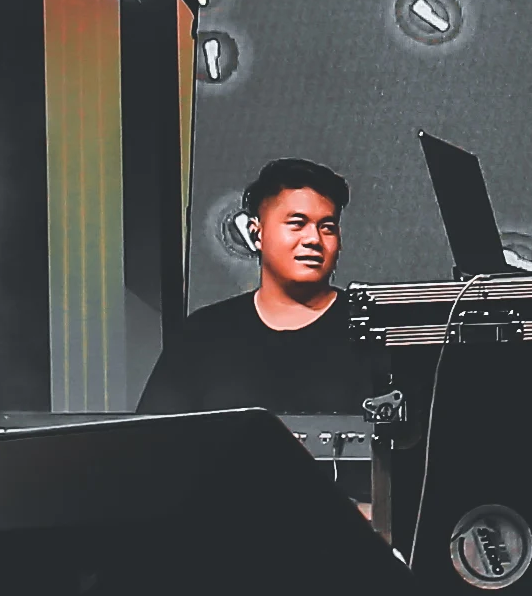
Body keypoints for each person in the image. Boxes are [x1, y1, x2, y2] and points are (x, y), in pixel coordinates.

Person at [140, 156, 398, 418]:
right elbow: (153, 435)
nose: (313, 239)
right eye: (297, 224)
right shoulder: (201, 334)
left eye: (327, 227)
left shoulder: (376, 331)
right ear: (256, 234)